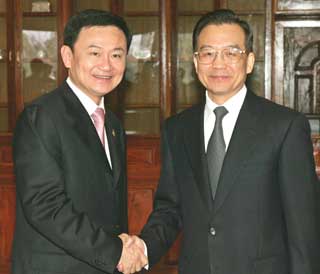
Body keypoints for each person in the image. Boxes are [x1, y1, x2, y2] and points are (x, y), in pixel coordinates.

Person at [123, 9, 320, 274]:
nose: (219, 64)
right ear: (195, 62)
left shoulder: (284, 126)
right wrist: (143, 248)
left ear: (249, 62)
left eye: (231, 53)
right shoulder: (177, 128)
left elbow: (303, 226)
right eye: (208, 53)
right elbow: (170, 208)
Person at [12, 9, 147, 274]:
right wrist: (114, 252)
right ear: (67, 56)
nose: (106, 65)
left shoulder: (113, 125)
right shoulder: (41, 116)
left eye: (117, 55)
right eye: (95, 53)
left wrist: (123, 252)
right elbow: (45, 205)